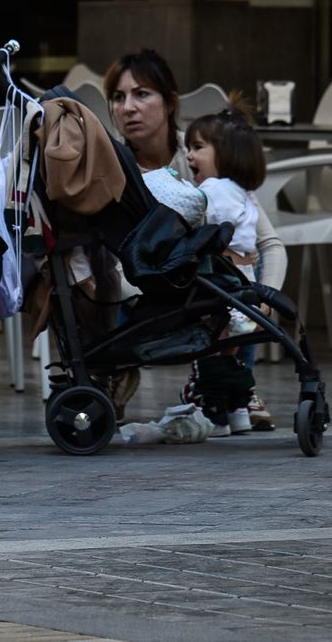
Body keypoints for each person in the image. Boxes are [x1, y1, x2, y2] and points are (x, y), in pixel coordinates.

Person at [104, 50, 285, 430]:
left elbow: (269, 244)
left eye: (142, 94)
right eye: (118, 98)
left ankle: (233, 381)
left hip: (210, 283)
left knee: (240, 258)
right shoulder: (113, 168)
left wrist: (267, 300)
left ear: (169, 103)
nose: (128, 108)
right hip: (145, 285)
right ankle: (113, 374)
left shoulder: (206, 153)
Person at [183, 108, 270, 435]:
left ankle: (215, 411)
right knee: (231, 352)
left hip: (218, 286)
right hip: (244, 285)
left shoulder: (214, 190)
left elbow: (190, 217)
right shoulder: (243, 194)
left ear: (227, 155)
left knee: (211, 350)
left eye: (198, 147)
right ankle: (239, 411)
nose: (189, 155)